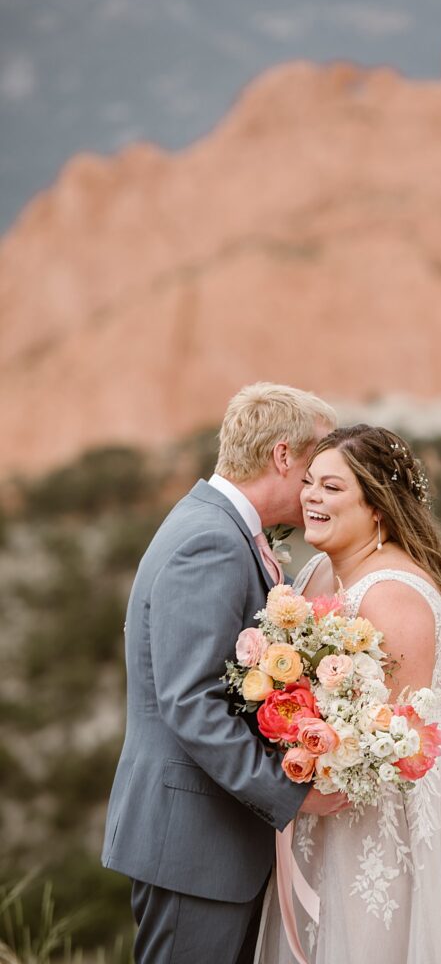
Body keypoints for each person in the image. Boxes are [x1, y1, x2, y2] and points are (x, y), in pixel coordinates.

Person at [256, 424, 441, 964]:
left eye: (333, 488)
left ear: (378, 508)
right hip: (322, 812)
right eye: (310, 483)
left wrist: (303, 755)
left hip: (384, 826)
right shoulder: (320, 572)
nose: (312, 498)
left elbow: (384, 745)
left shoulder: (393, 596)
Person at [102, 383, 346, 964]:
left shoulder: (218, 527)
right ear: (284, 456)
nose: (321, 480)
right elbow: (191, 703)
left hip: (208, 840)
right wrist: (291, 793)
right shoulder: (211, 540)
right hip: (194, 841)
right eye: (318, 460)